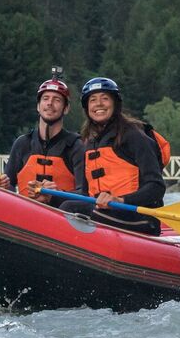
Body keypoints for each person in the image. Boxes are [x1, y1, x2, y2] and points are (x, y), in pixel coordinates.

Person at [56, 77, 166, 235]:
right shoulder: (90, 142)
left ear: (115, 103)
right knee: (62, 204)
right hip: (105, 213)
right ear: (87, 107)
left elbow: (156, 187)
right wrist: (52, 194)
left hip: (139, 219)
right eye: (93, 100)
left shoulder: (134, 136)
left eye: (105, 98)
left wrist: (120, 200)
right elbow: (86, 195)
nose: (98, 104)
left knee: (70, 209)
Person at [0, 72, 85, 206]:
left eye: (57, 100)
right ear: (38, 106)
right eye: (45, 98)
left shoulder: (76, 146)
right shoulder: (22, 143)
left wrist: (57, 193)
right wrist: (3, 186)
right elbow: (10, 185)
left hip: (63, 217)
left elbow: (85, 193)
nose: (50, 103)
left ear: (66, 108)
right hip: (25, 215)